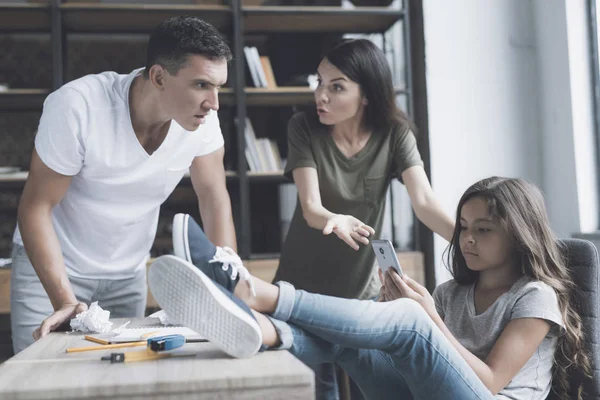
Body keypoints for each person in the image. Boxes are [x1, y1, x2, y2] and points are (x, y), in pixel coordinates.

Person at [149, 177, 591, 400]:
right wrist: (384, 320)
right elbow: (427, 365)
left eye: (484, 229)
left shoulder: (536, 295)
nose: (468, 239)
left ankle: (262, 294)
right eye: (463, 228)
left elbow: (492, 383)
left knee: (414, 321)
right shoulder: (454, 291)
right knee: (354, 345)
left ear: (518, 235)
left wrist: (427, 319)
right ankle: (267, 331)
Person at [11, 16, 236, 353]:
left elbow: (214, 198)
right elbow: (35, 208)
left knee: (117, 383)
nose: (214, 102)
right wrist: (64, 300)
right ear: (159, 76)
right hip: (53, 271)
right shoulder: (79, 106)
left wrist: (227, 287)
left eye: (218, 87)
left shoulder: (204, 119)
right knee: (38, 384)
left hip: (128, 273)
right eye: (201, 85)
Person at [274, 38, 455, 398]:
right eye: (319, 82)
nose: (320, 95)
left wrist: (469, 244)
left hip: (362, 297)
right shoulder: (303, 126)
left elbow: (424, 201)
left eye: (336, 87)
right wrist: (335, 218)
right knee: (316, 390)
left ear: (367, 95)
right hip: (301, 292)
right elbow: (311, 207)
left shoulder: (395, 134)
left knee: (375, 388)